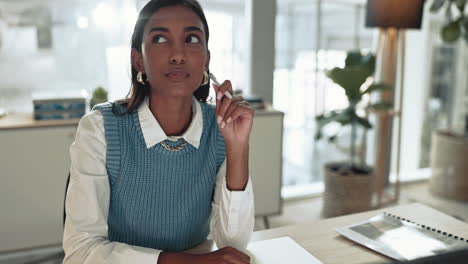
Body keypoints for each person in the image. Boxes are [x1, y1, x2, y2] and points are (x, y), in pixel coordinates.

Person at [62, 0, 255, 263]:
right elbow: (80, 252)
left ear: (206, 60)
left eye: (191, 39)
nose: (178, 55)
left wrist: (238, 148)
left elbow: (232, 245)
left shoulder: (220, 128)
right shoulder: (99, 129)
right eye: (160, 39)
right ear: (138, 60)